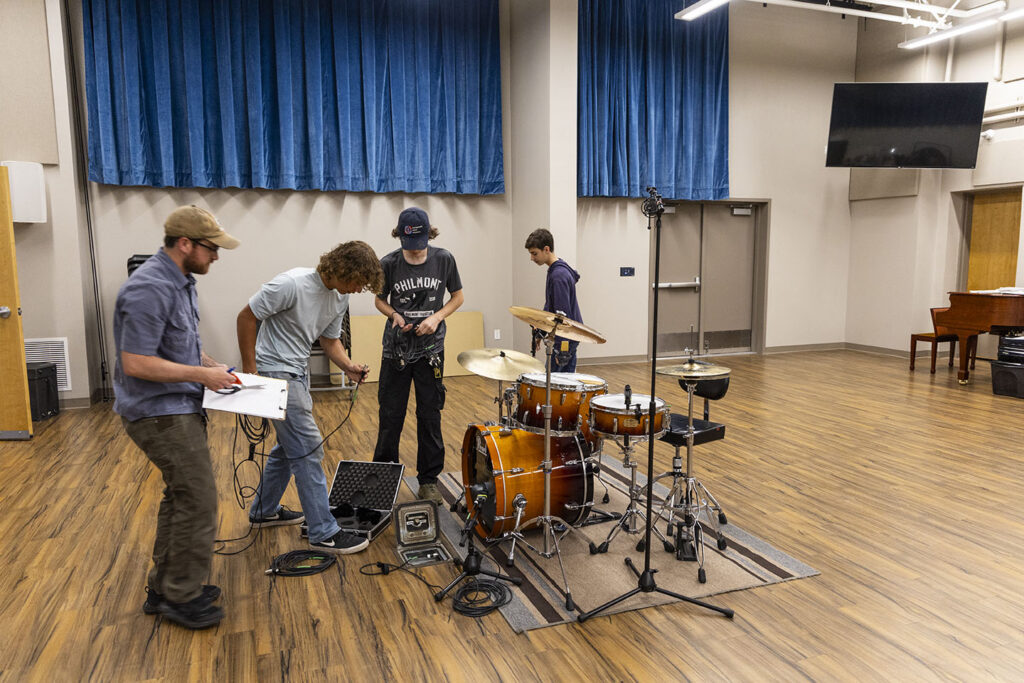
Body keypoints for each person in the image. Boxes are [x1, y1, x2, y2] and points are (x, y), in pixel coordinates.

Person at [113, 205, 240, 630]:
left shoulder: (180, 282)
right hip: (158, 414)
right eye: (211, 248)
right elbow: (136, 363)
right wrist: (203, 376)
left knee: (182, 497)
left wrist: (208, 364)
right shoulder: (149, 288)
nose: (216, 256)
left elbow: (174, 344)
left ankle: (165, 588)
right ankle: (182, 598)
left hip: (177, 407)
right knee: (199, 500)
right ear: (185, 244)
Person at [236, 241, 384, 555]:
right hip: (274, 372)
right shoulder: (291, 284)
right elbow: (246, 317)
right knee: (308, 448)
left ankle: (263, 510)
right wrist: (250, 371)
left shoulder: (340, 297)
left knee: (288, 448)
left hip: (297, 373)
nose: (358, 290)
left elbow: (330, 341)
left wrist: (349, 367)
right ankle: (323, 531)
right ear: (343, 269)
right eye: (358, 282)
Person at [372, 207, 464, 506]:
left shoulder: (444, 259)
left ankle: (428, 482)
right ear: (400, 237)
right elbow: (379, 300)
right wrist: (394, 315)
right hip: (396, 350)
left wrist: (436, 317)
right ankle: (384, 480)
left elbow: (458, 297)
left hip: (431, 350)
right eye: (409, 245)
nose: (414, 251)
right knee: (390, 416)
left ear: (429, 235)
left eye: (419, 245)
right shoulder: (388, 263)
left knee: (430, 415)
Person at [524, 228, 583, 372]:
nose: (532, 258)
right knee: (559, 382)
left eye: (534, 253)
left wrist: (562, 349)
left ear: (546, 249)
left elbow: (562, 316)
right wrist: (541, 332)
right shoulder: (556, 270)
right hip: (565, 337)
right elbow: (550, 307)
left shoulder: (558, 275)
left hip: (565, 338)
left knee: (556, 383)